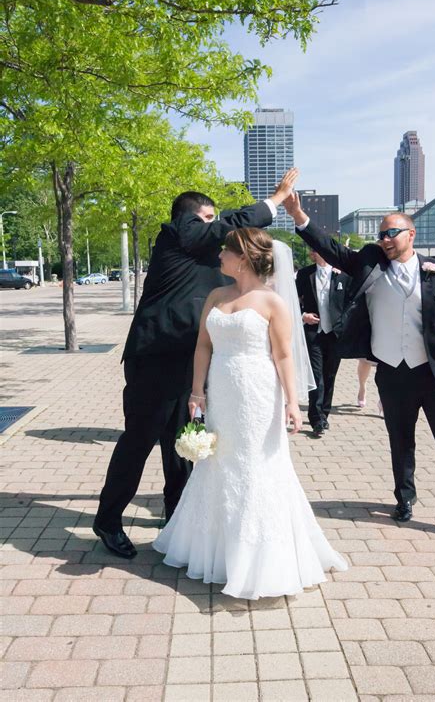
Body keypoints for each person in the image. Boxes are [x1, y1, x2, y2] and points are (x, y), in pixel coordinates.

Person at [93, 169, 299, 558]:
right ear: (187, 218)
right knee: (139, 440)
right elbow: (214, 230)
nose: (217, 229)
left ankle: (176, 520)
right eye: (209, 219)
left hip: (196, 364)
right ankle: (108, 520)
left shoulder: (219, 261)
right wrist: (273, 202)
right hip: (156, 357)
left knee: (184, 447)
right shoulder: (177, 236)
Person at [153, 229, 347, 598]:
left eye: (225, 251)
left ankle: (262, 558)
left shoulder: (272, 302)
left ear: (242, 258)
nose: (219, 256)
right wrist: (197, 391)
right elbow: (202, 347)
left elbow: (285, 355)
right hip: (222, 391)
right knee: (219, 461)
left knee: (257, 463)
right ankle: (218, 551)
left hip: (258, 393)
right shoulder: (216, 295)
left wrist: (292, 402)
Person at [284, 195, 435, 523]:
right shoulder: (370, 265)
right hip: (392, 372)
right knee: (400, 441)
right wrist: (298, 215)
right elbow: (331, 248)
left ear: (410, 234)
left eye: (391, 233)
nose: (384, 240)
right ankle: (404, 497)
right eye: (381, 235)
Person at [296, 250, 351, 436]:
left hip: (335, 334)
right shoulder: (305, 274)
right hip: (314, 333)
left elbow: (352, 302)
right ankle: (316, 418)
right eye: (315, 250)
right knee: (317, 376)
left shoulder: (343, 274)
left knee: (330, 376)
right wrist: (303, 316)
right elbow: (292, 301)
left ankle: (324, 414)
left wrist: (345, 324)